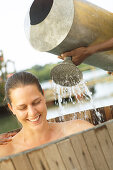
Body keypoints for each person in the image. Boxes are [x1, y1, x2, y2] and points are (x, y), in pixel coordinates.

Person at [0, 71, 94, 158]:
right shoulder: (5, 152)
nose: (32, 113)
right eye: (22, 108)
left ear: (43, 96)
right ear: (11, 108)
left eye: (36, 102)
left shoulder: (79, 130)